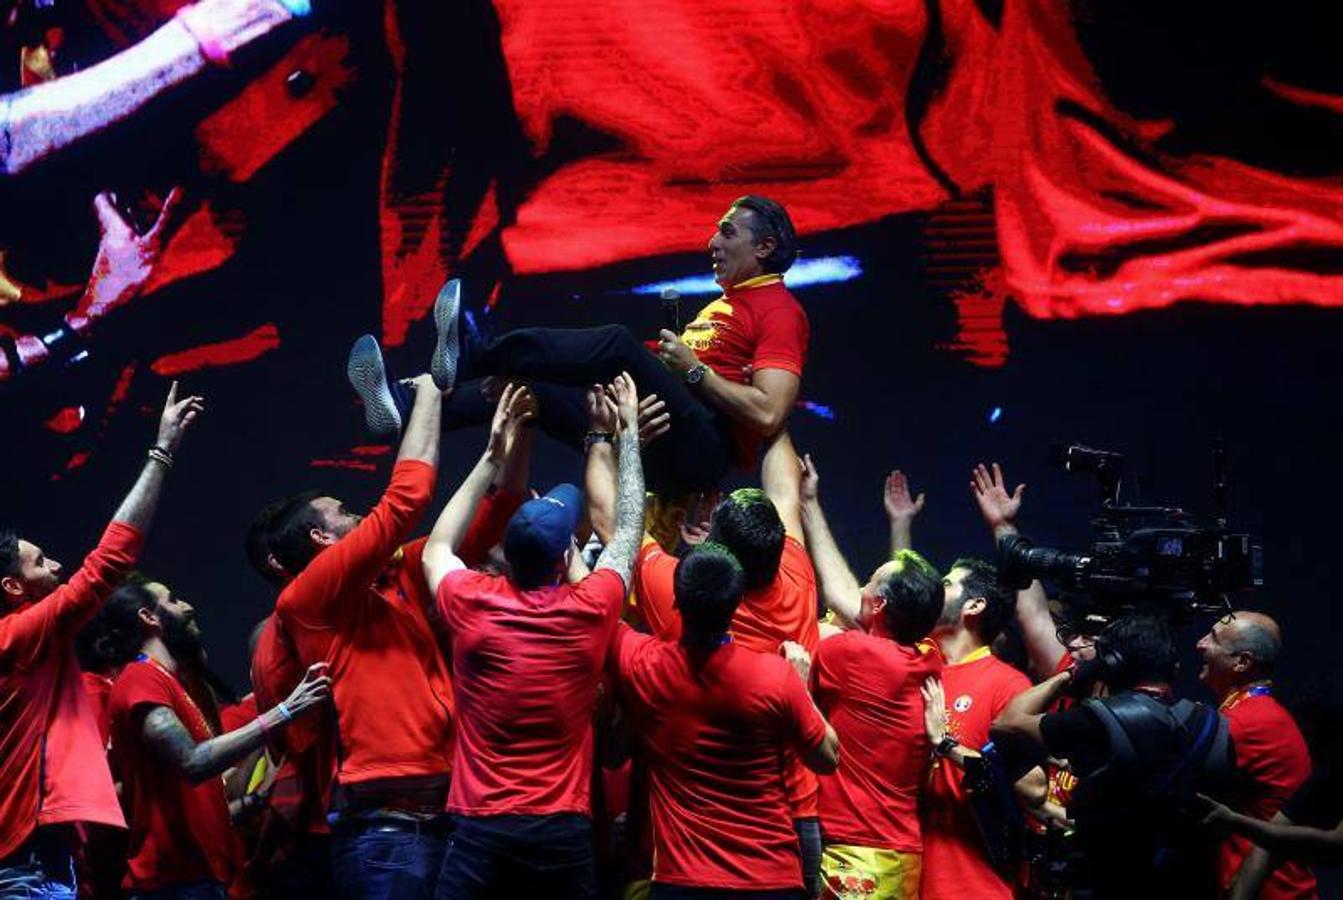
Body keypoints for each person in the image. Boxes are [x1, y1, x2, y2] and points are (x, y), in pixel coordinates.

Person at [421, 374, 644, 899]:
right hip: (559, 832)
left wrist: (492, 455)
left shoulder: (473, 603)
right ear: (566, 556)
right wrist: (628, 433)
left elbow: (438, 545)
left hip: (478, 828)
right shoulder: (590, 609)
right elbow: (629, 527)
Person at [418, 195, 808, 494]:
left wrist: (692, 369)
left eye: (727, 232)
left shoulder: (779, 310)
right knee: (524, 392)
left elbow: (770, 412)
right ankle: (408, 409)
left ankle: (473, 355)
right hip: (666, 433)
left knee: (617, 344)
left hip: (703, 453)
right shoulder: (728, 304)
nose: (712, 243)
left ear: (764, 247)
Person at [589, 425, 826, 894]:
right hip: (793, 826)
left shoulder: (676, 592)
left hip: (695, 848)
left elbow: (611, 521)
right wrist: (769, 410)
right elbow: (785, 490)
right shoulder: (797, 576)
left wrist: (602, 435)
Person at [0, 380, 200, 898]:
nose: (57, 566)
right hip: (27, 862)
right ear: (12, 587)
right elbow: (109, 561)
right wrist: (162, 453)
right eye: (41, 561)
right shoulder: (20, 635)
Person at [266, 373, 454, 900]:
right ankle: (417, 399)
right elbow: (405, 500)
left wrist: (506, 445)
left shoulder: (389, 581)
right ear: (319, 537)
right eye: (343, 512)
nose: (357, 513)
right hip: (385, 836)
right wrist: (434, 392)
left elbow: (472, 527)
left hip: (442, 820)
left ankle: (416, 408)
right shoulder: (308, 596)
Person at [606, 542, 840, 900]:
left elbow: (600, 613)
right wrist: (802, 684)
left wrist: (567, 557)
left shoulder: (644, 663)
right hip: (770, 881)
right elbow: (826, 759)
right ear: (737, 604)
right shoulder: (776, 677)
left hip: (683, 883)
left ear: (676, 602)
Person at [101, 578, 329, 899]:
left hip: (198, 879)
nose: (187, 607)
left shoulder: (170, 683)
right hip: (171, 883)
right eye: (173, 599)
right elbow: (192, 761)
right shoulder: (140, 679)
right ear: (148, 617)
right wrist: (285, 712)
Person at [991, 613, 1235, 899]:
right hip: (1189, 885)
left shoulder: (1098, 721)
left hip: (1111, 881)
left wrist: (1073, 673)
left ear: (1112, 664)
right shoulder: (1214, 725)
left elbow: (1007, 723)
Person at [808, 549, 944, 900]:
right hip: (901, 853)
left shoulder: (850, 653)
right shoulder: (929, 657)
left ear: (880, 604)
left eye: (868, 581)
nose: (861, 587)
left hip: (859, 856)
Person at [1195, 611, 1315, 897]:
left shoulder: (1250, 723)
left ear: (1243, 662)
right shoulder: (1256, 712)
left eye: (1212, 638)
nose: (1199, 644)